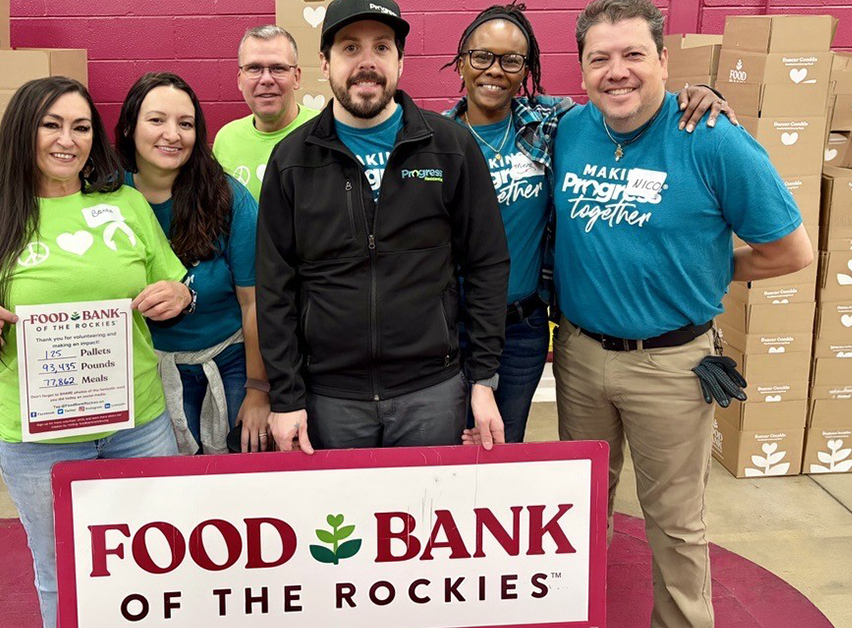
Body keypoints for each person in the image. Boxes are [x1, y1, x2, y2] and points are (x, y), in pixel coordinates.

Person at [550, 1, 814, 625]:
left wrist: (707, 271)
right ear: (582, 71)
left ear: (665, 61)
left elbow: (792, 250)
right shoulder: (567, 130)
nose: (618, 72)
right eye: (601, 59)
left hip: (670, 366)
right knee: (580, 509)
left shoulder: (714, 139)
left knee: (674, 524)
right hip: (580, 356)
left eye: (634, 55)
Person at [0, 77, 192, 627]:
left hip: (139, 426)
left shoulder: (126, 203)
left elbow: (175, 286)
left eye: (80, 127)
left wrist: (179, 295)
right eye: (51, 125)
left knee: (157, 566)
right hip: (38, 440)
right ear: (22, 133)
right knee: (62, 571)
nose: (68, 140)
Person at [445, 3, 736, 444]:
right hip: (447, 322)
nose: (494, 70)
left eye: (512, 60)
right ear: (461, 59)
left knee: (500, 448)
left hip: (520, 326)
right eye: (481, 55)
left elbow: (623, 103)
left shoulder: (550, 124)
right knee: (441, 448)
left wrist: (694, 93)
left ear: (527, 69)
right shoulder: (431, 140)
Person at [257, 0, 510, 454]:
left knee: (429, 518)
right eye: (351, 47)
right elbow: (275, 287)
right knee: (339, 522)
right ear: (325, 62)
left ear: (400, 61)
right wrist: (287, 395)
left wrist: (483, 379)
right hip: (330, 397)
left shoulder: (449, 148)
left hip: (431, 391)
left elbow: (488, 263)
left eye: (382, 47)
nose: (367, 62)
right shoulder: (292, 161)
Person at [115, 72, 271, 454]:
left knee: (242, 467)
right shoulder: (106, 199)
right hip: (143, 369)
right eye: (157, 120)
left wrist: (259, 391)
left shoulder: (227, 197)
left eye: (185, 124)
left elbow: (253, 303)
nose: (173, 134)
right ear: (129, 127)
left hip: (230, 359)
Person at [213, 25, 319, 200]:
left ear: (297, 77)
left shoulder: (324, 131)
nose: (267, 79)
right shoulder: (226, 139)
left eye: (278, 68)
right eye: (254, 68)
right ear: (240, 80)